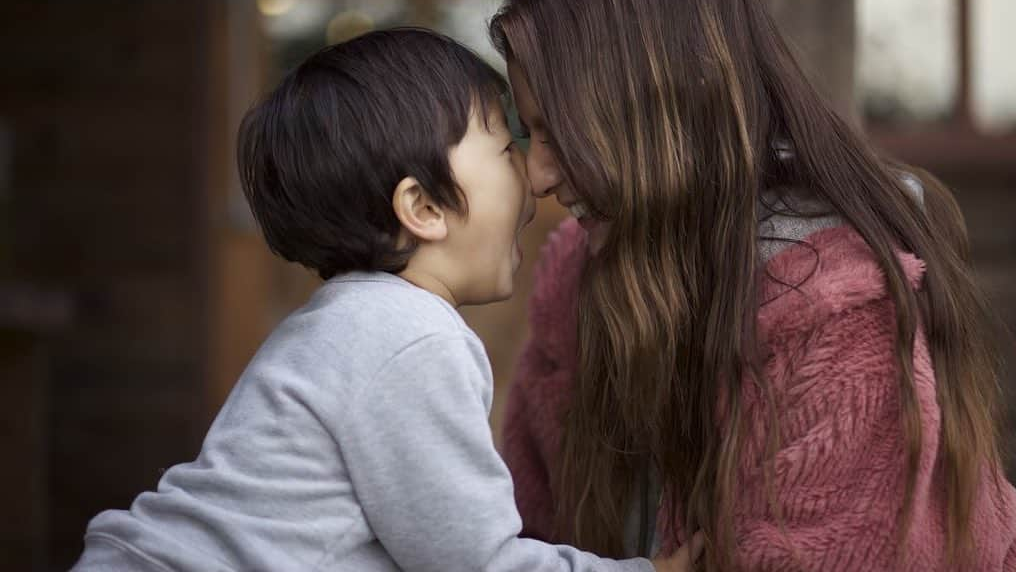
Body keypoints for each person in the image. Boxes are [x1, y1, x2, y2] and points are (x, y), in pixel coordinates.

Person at [491, 0, 1016, 572]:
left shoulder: (840, 316)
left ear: (656, 113)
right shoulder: (577, 274)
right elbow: (516, 539)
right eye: (526, 132)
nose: (538, 176)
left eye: (559, 133)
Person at [70, 28, 697, 572]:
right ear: (422, 207)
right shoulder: (413, 337)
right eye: (506, 147)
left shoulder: (349, 322)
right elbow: (477, 562)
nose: (533, 179)